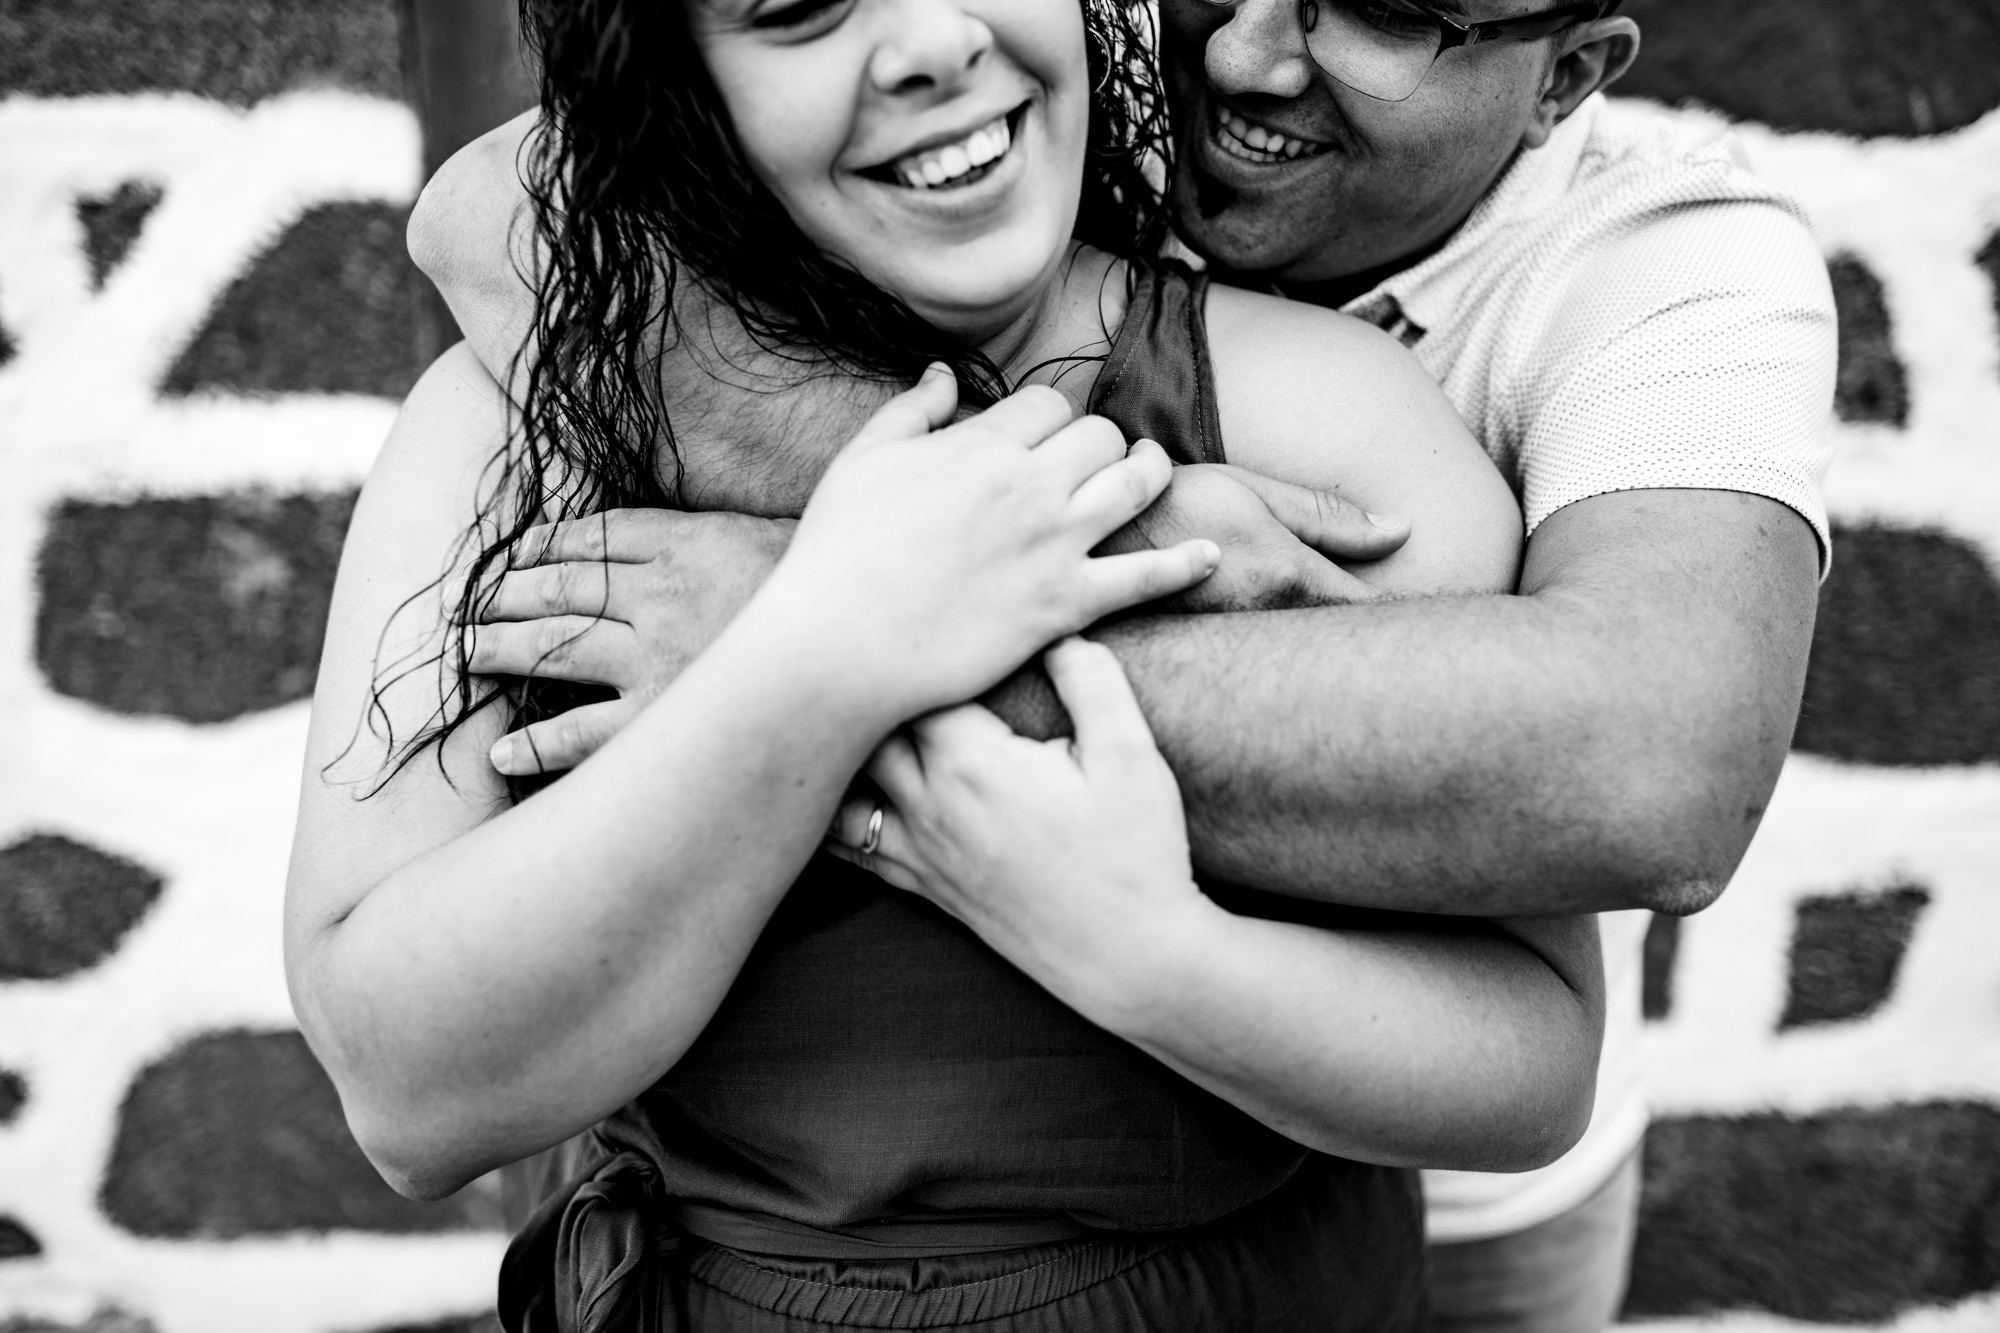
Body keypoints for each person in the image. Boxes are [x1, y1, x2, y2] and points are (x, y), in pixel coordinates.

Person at [419, 0, 1837, 1326]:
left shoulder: (1669, 266)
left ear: (1565, 78)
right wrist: (1038, 514)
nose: (1246, 58)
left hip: (1461, 1177)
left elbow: (1651, 772)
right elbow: (493, 209)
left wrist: (833, 621)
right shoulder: (1061, 79)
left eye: (1386, 12)